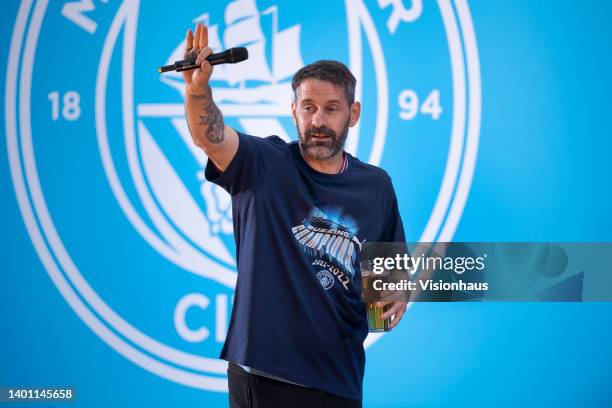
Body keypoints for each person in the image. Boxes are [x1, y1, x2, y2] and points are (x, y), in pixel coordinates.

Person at [183, 23, 407, 407]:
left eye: (331, 109)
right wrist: (197, 90)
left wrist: (398, 290)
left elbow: (390, 273)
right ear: (294, 112)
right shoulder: (263, 164)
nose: (318, 120)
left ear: (353, 114)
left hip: (340, 379)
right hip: (266, 374)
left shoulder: (376, 186)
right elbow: (212, 136)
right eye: (308, 108)